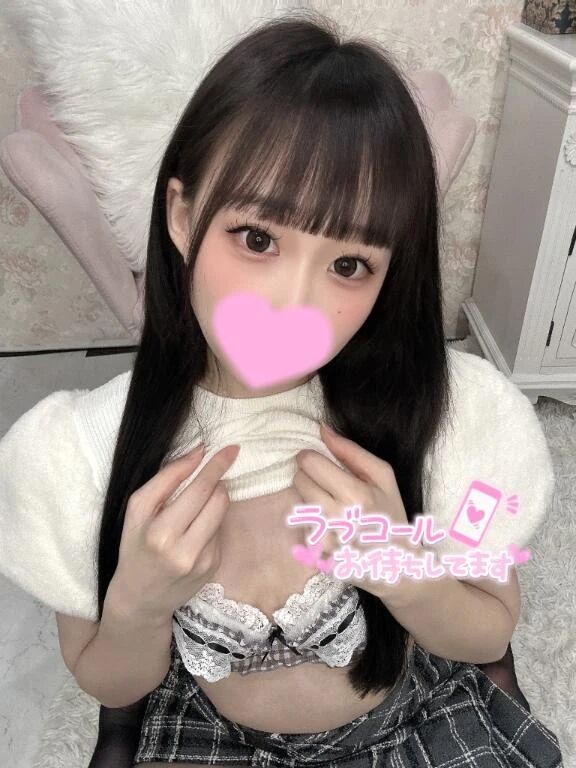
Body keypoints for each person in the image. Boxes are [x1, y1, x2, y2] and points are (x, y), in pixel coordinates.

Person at [0, 8, 563, 768]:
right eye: (258, 238)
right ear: (182, 215)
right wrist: (138, 601)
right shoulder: (76, 453)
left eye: (349, 264)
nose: (294, 304)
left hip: (410, 723)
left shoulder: (461, 416)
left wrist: (401, 567)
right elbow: (106, 676)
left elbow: (488, 630)